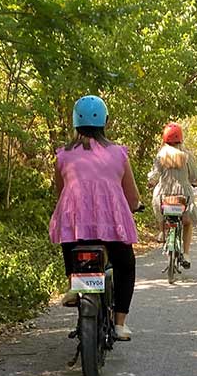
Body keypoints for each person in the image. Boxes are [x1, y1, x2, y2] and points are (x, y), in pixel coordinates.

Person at [49, 95, 142, 340]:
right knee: (125, 265)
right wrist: (134, 206)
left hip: (76, 224)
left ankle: (73, 283)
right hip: (112, 227)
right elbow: (132, 198)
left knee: (71, 245)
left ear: (75, 122)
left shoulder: (63, 156)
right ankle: (120, 324)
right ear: (105, 122)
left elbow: (61, 194)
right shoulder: (118, 154)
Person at [148, 122, 197, 268]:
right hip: (183, 197)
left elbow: (154, 175)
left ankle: (161, 230)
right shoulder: (187, 156)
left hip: (164, 196)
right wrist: (195, 182)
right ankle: (186, 254)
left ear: (164, 139)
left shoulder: (160, 156)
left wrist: (151, 183)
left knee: (160, 211)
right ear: (181, 139)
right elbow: (195, 177)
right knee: (187, 222)